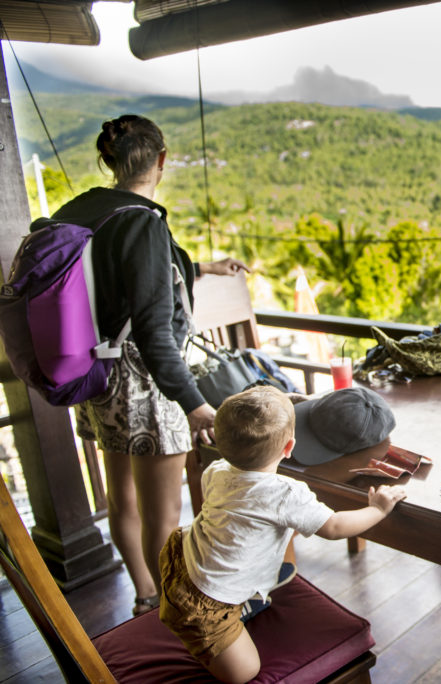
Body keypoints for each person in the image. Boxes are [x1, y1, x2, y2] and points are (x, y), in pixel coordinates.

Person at [54, 114, 249, 615]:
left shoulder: (80, 209)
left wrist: (203, 267)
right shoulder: (142, 219)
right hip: (144, 383)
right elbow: (154, 330)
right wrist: (195, 404)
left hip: (95, 374)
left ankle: (145, 597)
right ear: (161, 159)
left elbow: (126, 274)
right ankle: (174, 616)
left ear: (108, 159)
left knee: (121, 500)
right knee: (164, 515)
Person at [158, 386, 406, 683]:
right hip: (206, 601)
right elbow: (335, 527)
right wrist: (378, 509)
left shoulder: (217, 469)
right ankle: (192, 631)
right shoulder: (285, 494)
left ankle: (235, 600)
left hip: (183, 555)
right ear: (288, 448)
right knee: (244, 672)